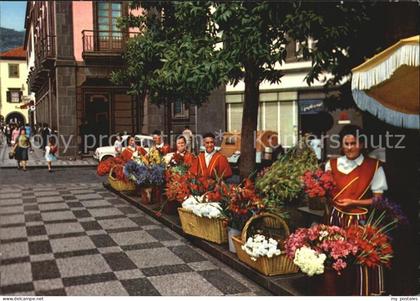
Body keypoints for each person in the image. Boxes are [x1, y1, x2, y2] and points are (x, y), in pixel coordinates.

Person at [325, 125, 388, 296]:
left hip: (360, 221)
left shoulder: (374, 167)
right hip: (336, 219)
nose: (350, 147)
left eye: (354, 143)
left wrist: (354, 201)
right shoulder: (331, 165)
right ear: (341, 145)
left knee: (361, 261)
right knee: (335, 259)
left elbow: (378, 200)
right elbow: (326, 192)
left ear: (361, 144)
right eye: (346, 144)